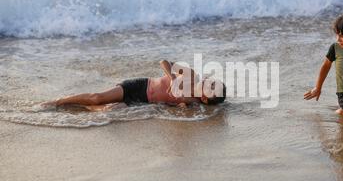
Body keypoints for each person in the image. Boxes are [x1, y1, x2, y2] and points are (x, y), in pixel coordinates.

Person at [42, 60, 226, 111]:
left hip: (142, 102)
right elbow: (164, 61)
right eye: (212, 82)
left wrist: (180, 106)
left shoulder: (191, 102)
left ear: (204, 98)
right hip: (138, 87)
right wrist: (171, 77)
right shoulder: (190, 75)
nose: (208, 82)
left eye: (211, 88)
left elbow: (172, 106)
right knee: (97, 98)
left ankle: (84, 107)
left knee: (113, 109)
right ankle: (59, 101)